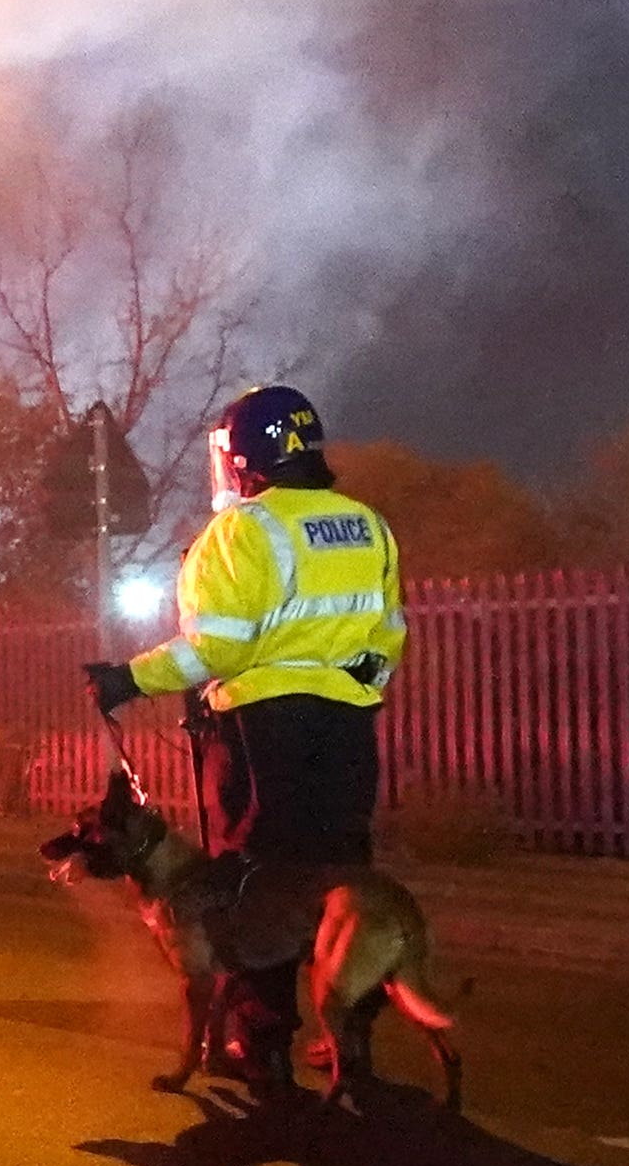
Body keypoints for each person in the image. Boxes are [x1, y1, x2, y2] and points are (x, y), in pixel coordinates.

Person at [88, 381, 401, 1092]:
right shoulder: (367, 526)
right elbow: (388, 636)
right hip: (348, 730)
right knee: (341, 882)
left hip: (263, 733)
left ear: (242, 459)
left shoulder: (242, 532)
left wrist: (126, 680)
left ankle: (260, 1042)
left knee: (255, 882)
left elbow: (216, 650)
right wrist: (348, 687)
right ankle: (349, 1035)